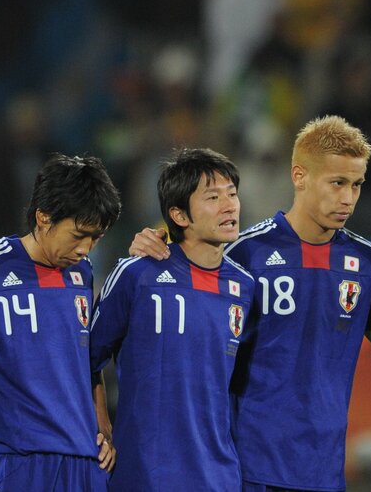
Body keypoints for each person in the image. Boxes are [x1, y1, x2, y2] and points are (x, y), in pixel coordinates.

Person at [131, 115, 371, 492]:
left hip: (325, 467)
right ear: (299, 176)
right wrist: (153, 252)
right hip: (248, 463)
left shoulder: (368, 263)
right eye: (337, 183)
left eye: (357, 185)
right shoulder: (244, 254)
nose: (348, 198)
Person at [0, 154, 121, 492]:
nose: (85, 248)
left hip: (85, 461)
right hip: (17, 460)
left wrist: (103, 427)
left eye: (96, 238)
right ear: (43, 217)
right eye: (78, 235)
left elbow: (87, 360)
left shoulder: (81, 272)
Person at [89, 148, 254, 492]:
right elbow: (86, 358)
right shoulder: (137, 275)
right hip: (146, 474)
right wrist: (101, 425)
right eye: (213, 197)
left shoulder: (244, 286)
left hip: (219, 476)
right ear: (179, 215)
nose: (229, 206)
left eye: (232, 194)